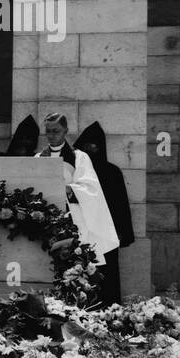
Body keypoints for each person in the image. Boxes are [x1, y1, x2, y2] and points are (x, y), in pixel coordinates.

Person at [36, 113, 119, 274]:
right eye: (48, 131)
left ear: (66, 130)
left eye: (56, 131)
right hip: (47, 219)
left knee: (74, 267)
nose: (51, 135)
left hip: (73, 218)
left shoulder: (79, 157)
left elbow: (91, 189)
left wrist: (69, 188)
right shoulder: (39, 158)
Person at [74, 122, 134, 306]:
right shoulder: (77, 171)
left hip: (107, 232)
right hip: (84, 231)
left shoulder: (111, 172)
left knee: (107, 276)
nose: (91, 149)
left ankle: (109, 311)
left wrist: (122, 231)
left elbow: (121, 205)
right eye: (87, 145)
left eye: (94, 145)